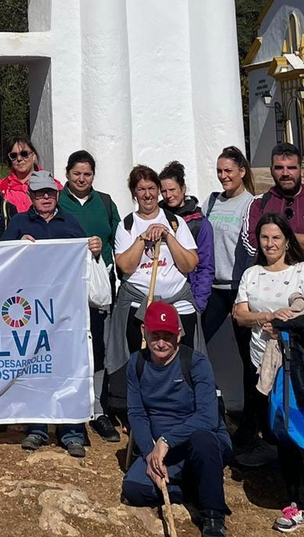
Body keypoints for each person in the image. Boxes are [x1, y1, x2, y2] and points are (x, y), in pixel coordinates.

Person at [234, 215, 304, 537]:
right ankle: (297, 502)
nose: (270, 244)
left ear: (286, 240)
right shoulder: (252, 274)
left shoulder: (302, 271)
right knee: (283, 434)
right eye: (264, 238)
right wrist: (266, 318)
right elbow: (239, 314)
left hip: (300, 367)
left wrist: (288, 322)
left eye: (276, 237)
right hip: (266, 366)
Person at [122, 302, 231, 537]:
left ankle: (213, 515)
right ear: (144, 332)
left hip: (201, 442)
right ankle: (195, 487)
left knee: (203, 441)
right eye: (155, 336)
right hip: (161, 449)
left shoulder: (196, 363)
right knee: (133, 489)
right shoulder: (136, 364)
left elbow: (208, 417)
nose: (161, 343)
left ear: (179, 334)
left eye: (168, 336)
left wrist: (166, 441)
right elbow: (137, 413)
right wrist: (150, 454)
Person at [103, 166, 201, 423]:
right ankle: (142, 414)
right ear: (134, 193)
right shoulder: (127, 225)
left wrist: (168, 237)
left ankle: (181, 411)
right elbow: (125, 266)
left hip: (176, 304)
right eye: (141, 189)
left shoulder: (175, 222)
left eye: (151, 188)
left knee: (180, 359)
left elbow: (190, 263)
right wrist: (142, 239)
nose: (147, 194)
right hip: (140, 305)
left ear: (158, 191)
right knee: (144, 361)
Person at [2, 170, 90, 456]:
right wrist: (16, 246)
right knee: (36, 367)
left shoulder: (70, 222)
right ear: (30, 196)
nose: (46, 198)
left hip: (66, 309)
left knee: (68, 366)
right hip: (31, 309)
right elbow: (0, 259)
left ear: (57, 194)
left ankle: (71, 432)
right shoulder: (19, 222)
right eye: (40, 193)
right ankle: (37, 428)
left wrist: (94, 248)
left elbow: (85, 258)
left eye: (50, 192)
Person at [243, 142, 304, 346]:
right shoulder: (258, 203)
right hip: (270, 296)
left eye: (291, 167)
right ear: (271, 170)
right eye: (279, 168)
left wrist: (275, 237)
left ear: (301, 170)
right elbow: (253, 246)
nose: (285, 173)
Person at [202, 146, 264, 464]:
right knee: (197, 346)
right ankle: (208, 411)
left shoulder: (252, 204)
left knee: (249, 358)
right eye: (220, 171)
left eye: (229, 170)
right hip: (213, 287)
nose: (223, 176)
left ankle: (251, 426)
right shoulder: (212, 201)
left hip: (240, 288)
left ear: (242, 171)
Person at [57, 150, 119, 438]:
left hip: (98, 285)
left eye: (87, 174)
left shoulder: (105, 203)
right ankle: (68, 404)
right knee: (68, 345)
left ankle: (97, 408)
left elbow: (117, 240)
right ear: (67, 173)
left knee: (99, 347)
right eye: (76, 173)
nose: (82, 179)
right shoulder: (56, 201)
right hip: (66, 286)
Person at [159, 162, 214, 312]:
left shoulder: (199, 222)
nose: (168, 196)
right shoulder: (156, 217)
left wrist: (198, 303)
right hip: (159, 295)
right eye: (163, 191)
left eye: (172, 190)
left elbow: (205, 266)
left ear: (183, 189)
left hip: (187, 297)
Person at [0, 137, 47, 212]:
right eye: (13, 155)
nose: (19, 159)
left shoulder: (51, 184)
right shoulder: (1, 186)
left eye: (24, 154)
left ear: (33, 156)